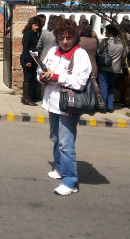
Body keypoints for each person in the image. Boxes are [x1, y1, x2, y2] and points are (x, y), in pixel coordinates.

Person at [39, 19, 92, 196]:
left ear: (75, 37)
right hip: (53, 102)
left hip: (69, 105)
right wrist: (44, 76)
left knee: (66, 144)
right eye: (61, 38)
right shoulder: (54, 51)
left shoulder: (80, 55)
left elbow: (79, 82)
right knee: (55, 137)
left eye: (69, 37)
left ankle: (71, 181)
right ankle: (60, 168)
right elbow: (43, 70)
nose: (65, 41)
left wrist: (55, 77)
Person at [97, 24, 126, 113]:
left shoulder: (105, 42)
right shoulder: (121, 42)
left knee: (103, 86)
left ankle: (103, 106)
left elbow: (99, 52)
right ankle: (110, 106)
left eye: (106, 31)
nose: (105, 32)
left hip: (104, 67)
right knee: (111, 86)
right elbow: (124, 56)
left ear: (110, 32)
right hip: (116, 68)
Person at [20, 16, 42, 106]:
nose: (36, 27)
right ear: (31, 25)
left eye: (38, 26)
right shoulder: (28, 34)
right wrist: (27, 61)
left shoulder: (35, 34)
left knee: (33, 78)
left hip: (33, 59)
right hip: (27, 59)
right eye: (35, 25)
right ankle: (26, 98)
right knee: (28, 78)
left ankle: (28, 96)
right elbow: (25, 49)